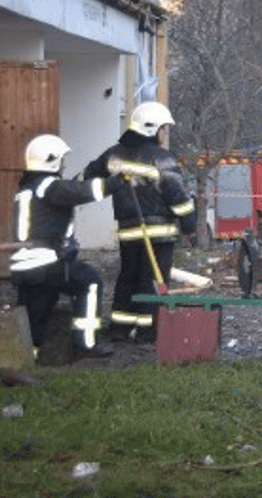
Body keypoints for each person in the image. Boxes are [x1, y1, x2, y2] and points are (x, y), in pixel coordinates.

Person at [9, 135, 145, 359]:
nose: (63, 164)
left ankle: (30, 355)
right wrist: (118, 180)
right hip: (46, 262)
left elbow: (70, 190)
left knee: (37, 313)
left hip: (24, 267)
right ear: (51, 160)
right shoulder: (50, 186)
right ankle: (87, 343)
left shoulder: (27, 189)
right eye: (61, 159)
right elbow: (83, 192)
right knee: (90, 282)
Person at [83, 101, 197, 343]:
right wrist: (189, 226)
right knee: (153, 281)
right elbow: (181, 200)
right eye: (164, 128)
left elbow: (89, 176)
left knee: (127, 279)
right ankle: (148, 332)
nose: (165, 134)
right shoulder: (163, 159)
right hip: (159, 233)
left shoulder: (114, 154)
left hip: (128, 232)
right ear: (153, 129)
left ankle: (119, 329)